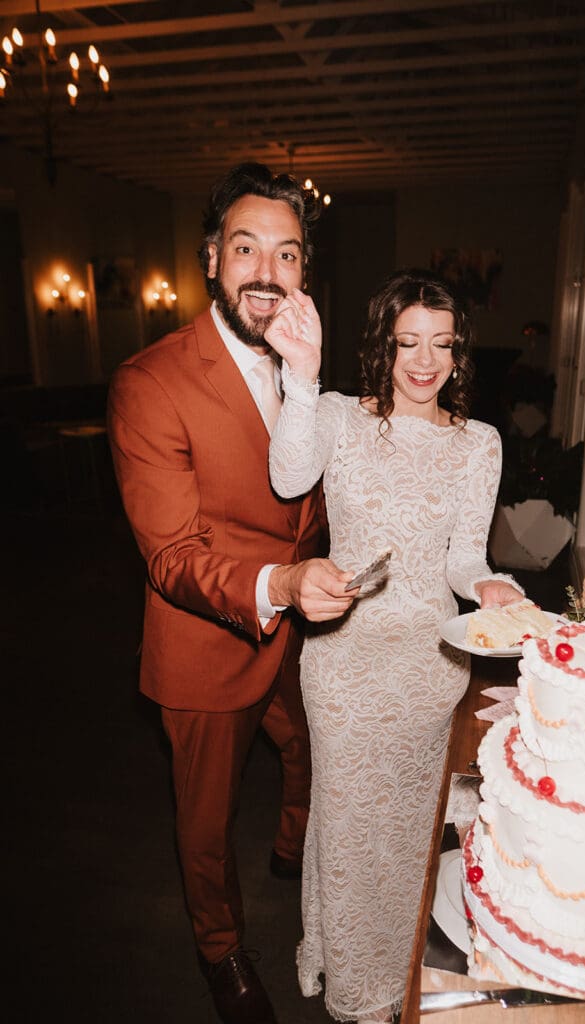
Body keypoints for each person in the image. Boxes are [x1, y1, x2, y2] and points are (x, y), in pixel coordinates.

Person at [107, 163, 357, 1024]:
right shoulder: (151, 382)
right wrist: (279, 582)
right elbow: (171, 555)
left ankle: (292, 852)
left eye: (285, 255)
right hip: (209, 643)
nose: (265, 272)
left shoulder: (306, 362)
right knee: (206, 826)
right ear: (213, 258)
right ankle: (220, 949)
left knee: (306, 750)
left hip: (301, 630)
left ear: (303, 272)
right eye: (245, 248)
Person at [265, 268, 524, 1023]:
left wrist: (491, 588)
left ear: (458, 354)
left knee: (409, 828)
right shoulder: (343, 417)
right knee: (347, 821)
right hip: (344, 661)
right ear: (383, 343)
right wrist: (303, 377)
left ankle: (396, 964)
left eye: (441, 345)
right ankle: (352, 980)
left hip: (426, 665)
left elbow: (462, 561)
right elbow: (289, 477)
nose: (424, 360)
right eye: (407, 341)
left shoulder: (478, 443)